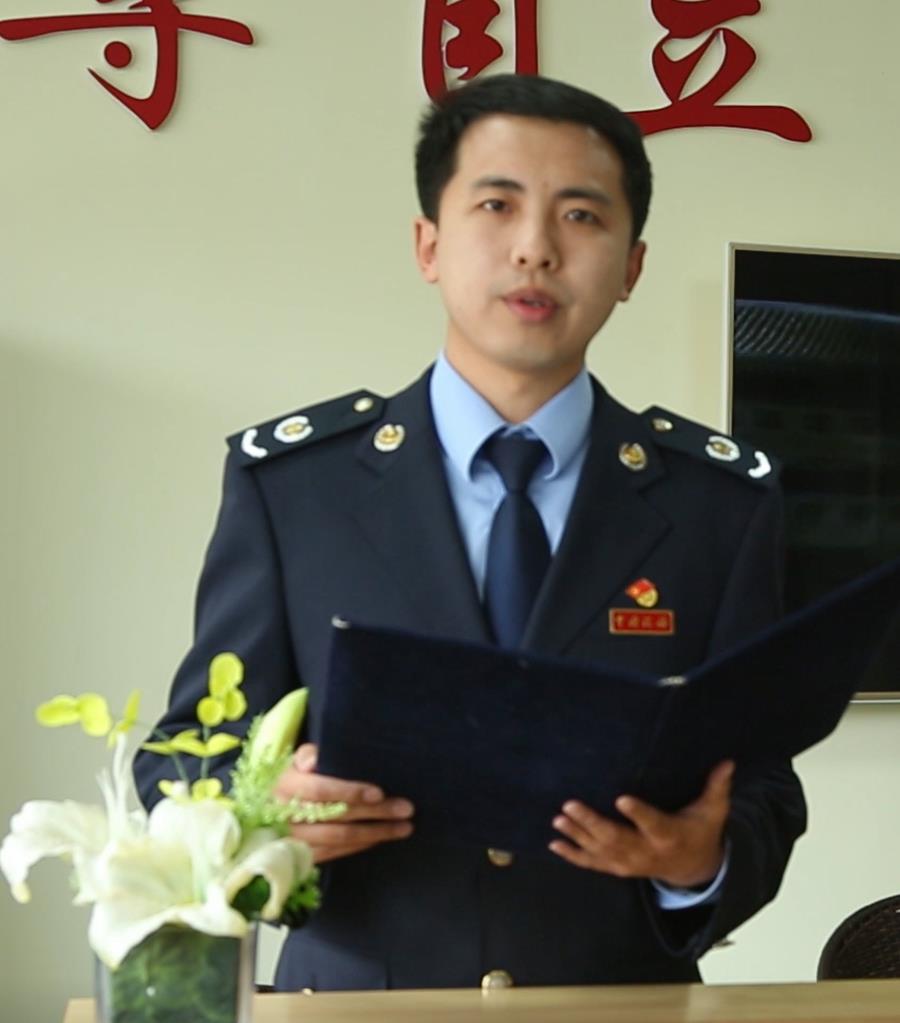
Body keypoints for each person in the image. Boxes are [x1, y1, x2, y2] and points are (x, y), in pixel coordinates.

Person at [134, 73, 806, 991]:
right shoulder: (296, 488)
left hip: (619, 1004)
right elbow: (186, 751)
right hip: (358, 1006)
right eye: (497, 205)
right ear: (429, 244)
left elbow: (763, 784)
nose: (535, 248)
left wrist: (700, 859)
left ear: (632, 267)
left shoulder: (717, 504)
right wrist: (255, 816)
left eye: (581, 216)